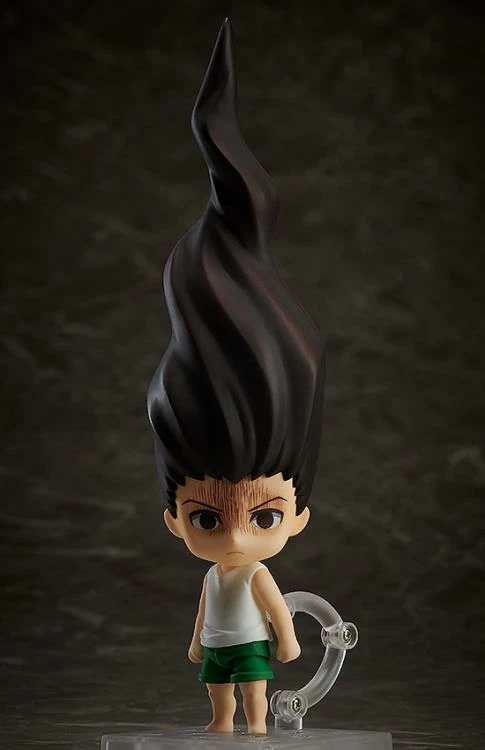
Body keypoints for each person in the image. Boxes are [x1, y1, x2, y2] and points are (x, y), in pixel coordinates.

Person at [147, 18, 326, 735]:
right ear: (173, 519)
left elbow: (279, 612)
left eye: (265, 517)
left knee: (251, 692)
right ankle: (225, 726)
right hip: (221, 647)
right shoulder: (215, 578)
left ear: (298, 516)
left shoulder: (255, 575)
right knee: (219, 694)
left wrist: (287, 643)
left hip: (248, 648)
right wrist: (196, 643)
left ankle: (253, 728)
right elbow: (202, 616)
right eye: (205, 518)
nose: (235, 539)